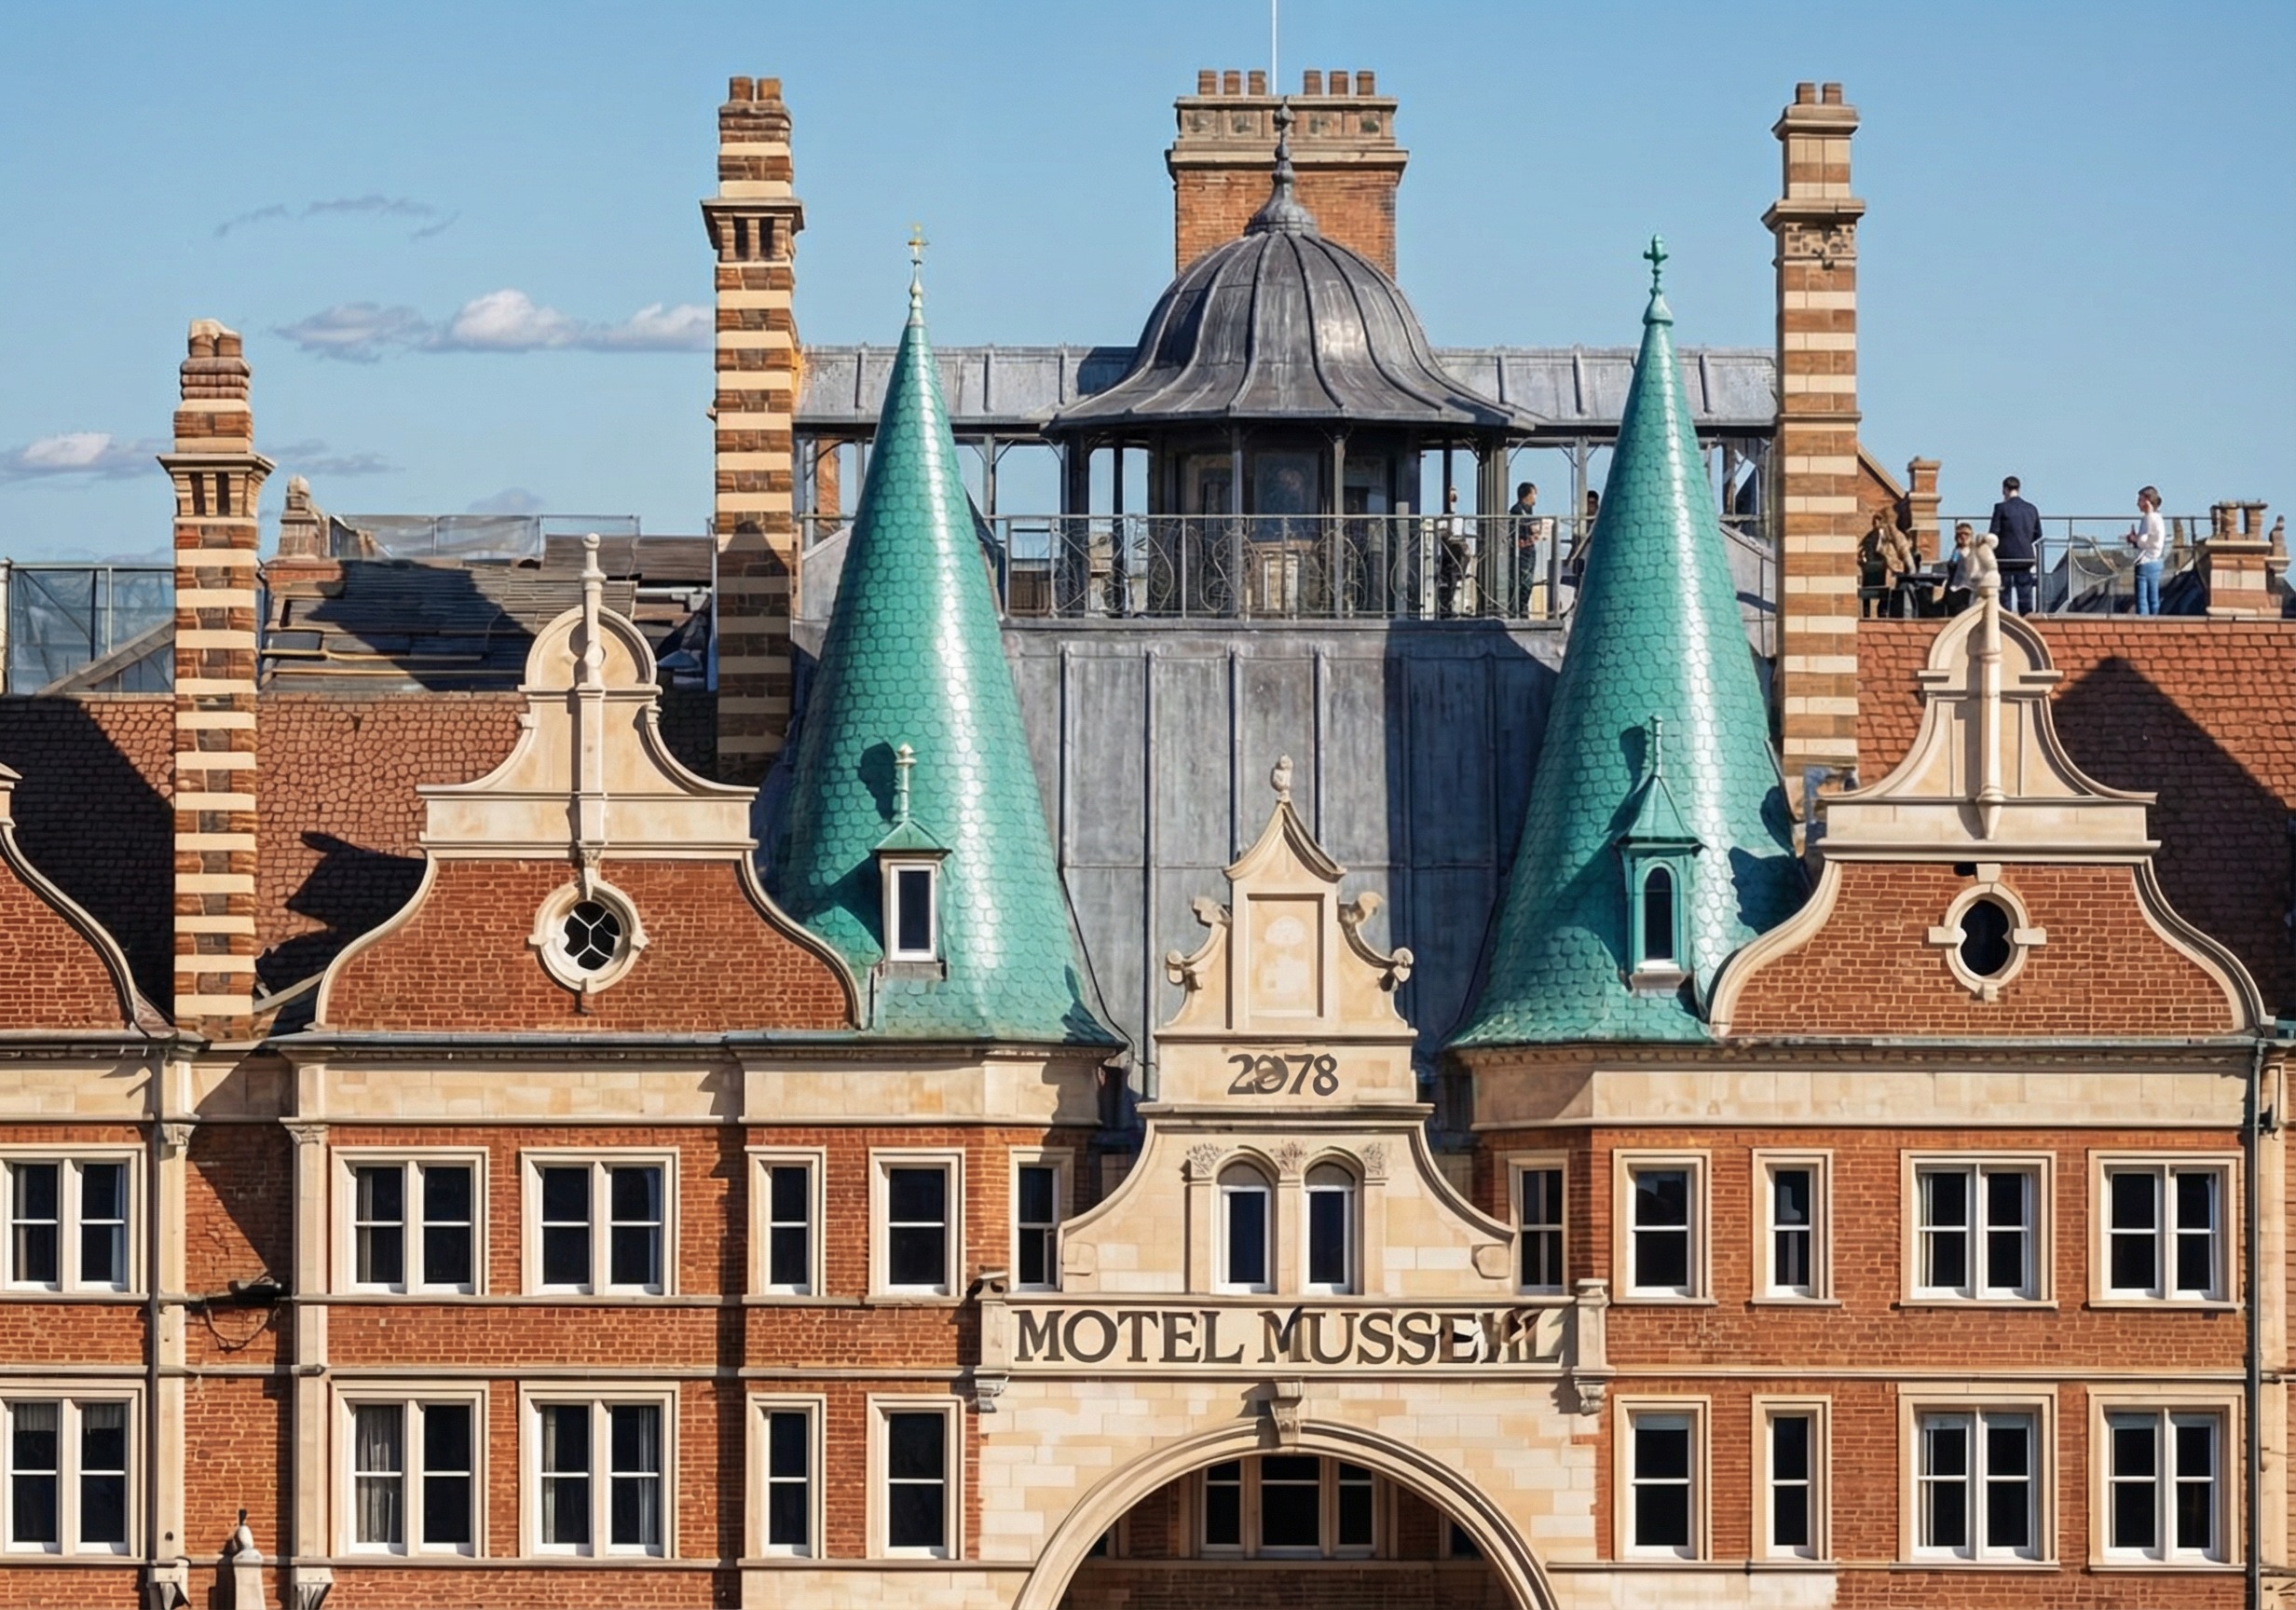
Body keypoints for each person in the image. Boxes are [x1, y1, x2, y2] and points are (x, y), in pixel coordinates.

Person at [1988, 475, 2043, 614]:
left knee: (2004, 598)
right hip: (2025, 556)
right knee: (2025, 597)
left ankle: (2005, 621)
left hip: (2004, 558)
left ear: (2005, 489)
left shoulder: (2001, 508)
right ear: (2018, 489)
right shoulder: (2031, 509)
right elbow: (2038, 533)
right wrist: (2025, 541)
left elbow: (1993, 534)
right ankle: (2026, 620)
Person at [2125, 484, 2166, 616]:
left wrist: (2133, 538)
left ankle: (2143, 624)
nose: (2138, 503)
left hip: (2146, 561)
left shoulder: (2149, 518)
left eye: (2140, 500)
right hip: (2156, 559)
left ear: (2147, 501)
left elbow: (2143, 541)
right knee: (2154, 599)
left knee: (2142, 600)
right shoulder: (2158, 518)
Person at [1509, 482, 1546, 616]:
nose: (1535, 497)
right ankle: (1517, 610)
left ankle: (1522, 608)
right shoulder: (1517, 511)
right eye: (1534, 494)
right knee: (1522, 582)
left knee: (1528, 582)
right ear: (1528, 495)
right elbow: (1517, 532)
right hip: (1522, 553)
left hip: (1529, 552)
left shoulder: (1528, 511)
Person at [1943, 523, 1976, 615]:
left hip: (1970, 588)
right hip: (1956, 589)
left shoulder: (1975, 552)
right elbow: (1951, 567)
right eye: (1960, 535)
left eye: (1966, 534)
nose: (1963, 537)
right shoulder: (1956, 552)